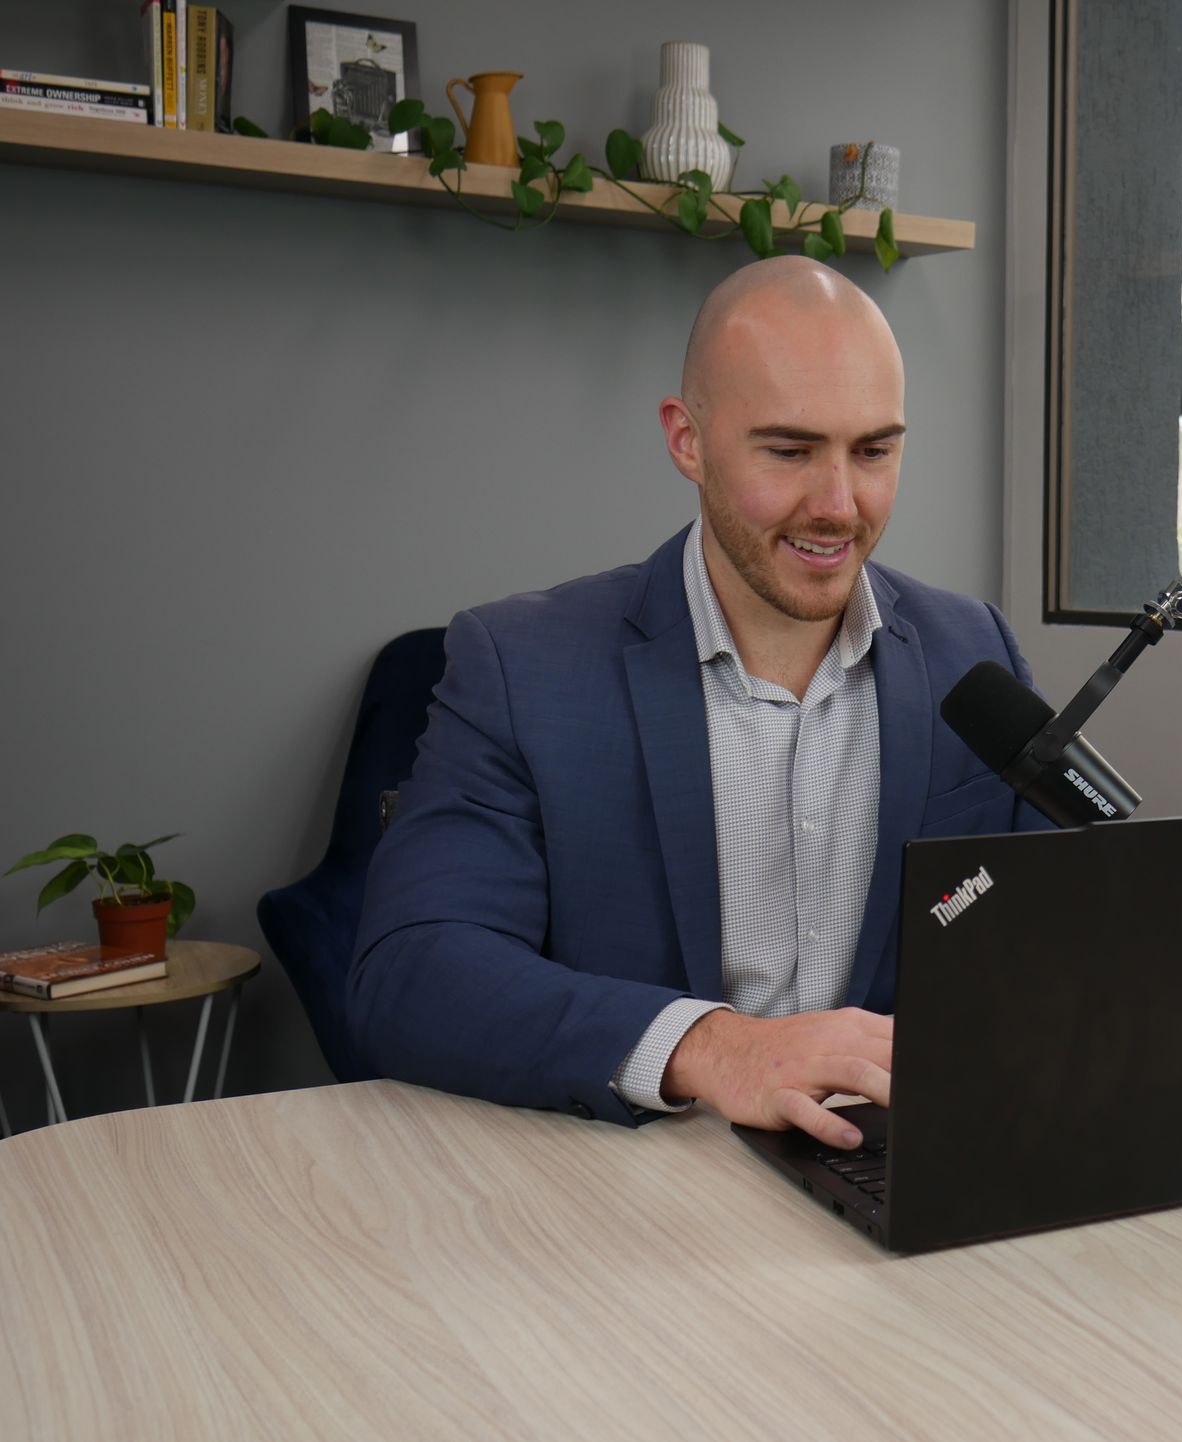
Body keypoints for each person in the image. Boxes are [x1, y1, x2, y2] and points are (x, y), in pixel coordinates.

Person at [348, 256, 1045, 1150]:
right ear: (687, 439)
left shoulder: (973, 652)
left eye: (873, 450)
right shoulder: (522, 665)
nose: (839, 505)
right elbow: (410, 971)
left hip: (891, 1177)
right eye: (789, 451)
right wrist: (711, 1048)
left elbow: (1059, 934)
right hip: (627, 1191)